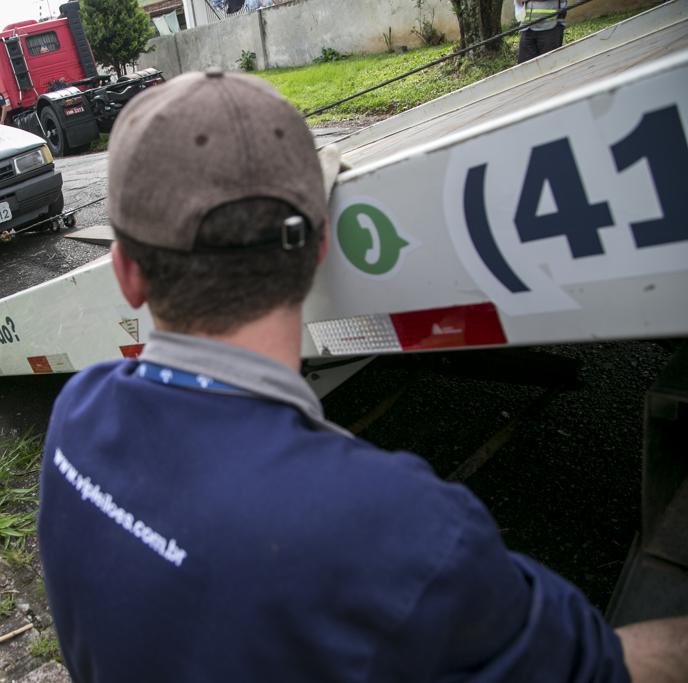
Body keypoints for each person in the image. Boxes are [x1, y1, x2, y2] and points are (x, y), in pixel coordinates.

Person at [37, 70, 688, 682]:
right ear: (320, 248)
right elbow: (602, 668)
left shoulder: (75, 415)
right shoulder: (406, 533)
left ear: (125, 273)